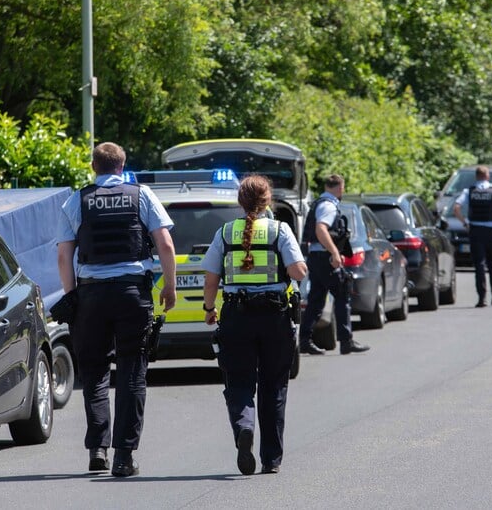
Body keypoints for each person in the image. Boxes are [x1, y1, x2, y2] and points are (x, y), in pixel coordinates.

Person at [56, 141, 177, 477]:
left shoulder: (77, 200)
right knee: (132, 373)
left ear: (94, 166)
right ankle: (124, 456)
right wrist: (170, 286)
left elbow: (64, 255)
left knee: (94, 372)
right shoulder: (141, 195)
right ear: (122, 166)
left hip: (91, 296)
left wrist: (72, 296)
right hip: (132, 294)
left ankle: (98, 449)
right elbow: (165, 243)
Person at [200, 175, 307, 475]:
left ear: (240, 202)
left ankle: (244, 427)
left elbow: (211, 280)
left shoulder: (225, 232)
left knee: (239, 382)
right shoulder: (279, 230)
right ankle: (271, 459)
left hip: (236, 315)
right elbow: (298, 271)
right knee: (274, 386)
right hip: (275, 317)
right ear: (268, 200)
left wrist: (210, 310)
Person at [298, 174, 369, 355]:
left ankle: (305, 340)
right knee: (342, 294)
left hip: (317, 257)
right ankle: (346, 341)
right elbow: (321, 229)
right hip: (325, 258)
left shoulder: (319, 203)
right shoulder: (328, 206)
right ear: (340, 187)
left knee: (316, 300)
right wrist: (334, 252)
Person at [452, 165, 492, 308]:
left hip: (475, 231)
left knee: (479, 265)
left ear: (476, 176)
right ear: (488, 176)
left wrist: (465, 223)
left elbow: (456, 208)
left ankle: (482, 298)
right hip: (491, 233)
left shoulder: (468, 191)